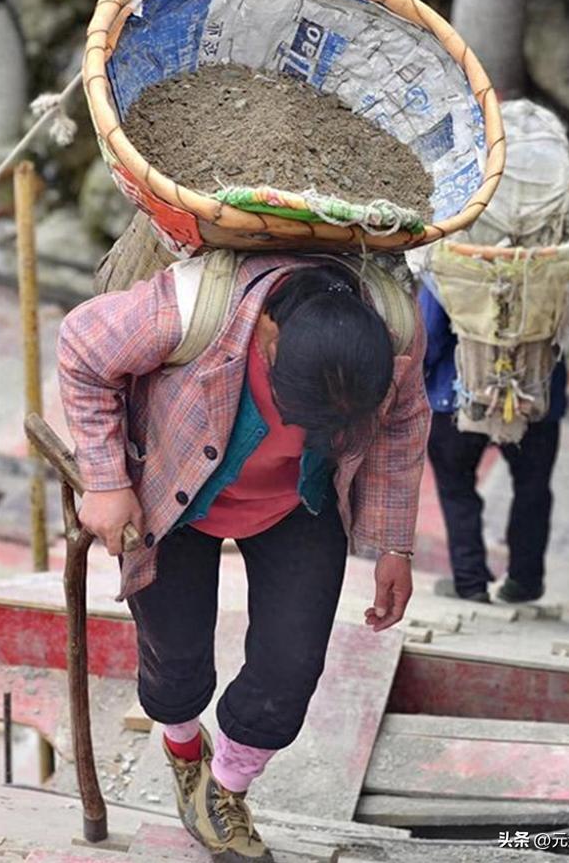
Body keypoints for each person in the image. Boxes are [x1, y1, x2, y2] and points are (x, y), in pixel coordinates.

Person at [58, 253, 429, 862]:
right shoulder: (191, 311)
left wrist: (395, 544)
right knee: (175, 665)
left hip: (299, 506)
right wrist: (104, 479)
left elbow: (402, 425)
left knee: (290, 670)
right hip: (177, 499)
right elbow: (81, 347)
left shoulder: (397, 331)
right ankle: (183, 749)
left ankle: (224, 791)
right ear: (268, 335)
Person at [420, 277, 569, 607]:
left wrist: (419, 381)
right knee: (532, 489)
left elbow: (430, 331)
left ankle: (470, 581)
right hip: (536, 397)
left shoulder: (453, 254)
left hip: (458, 395)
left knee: (456, 487)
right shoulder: (562, 266)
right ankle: (525, 581)